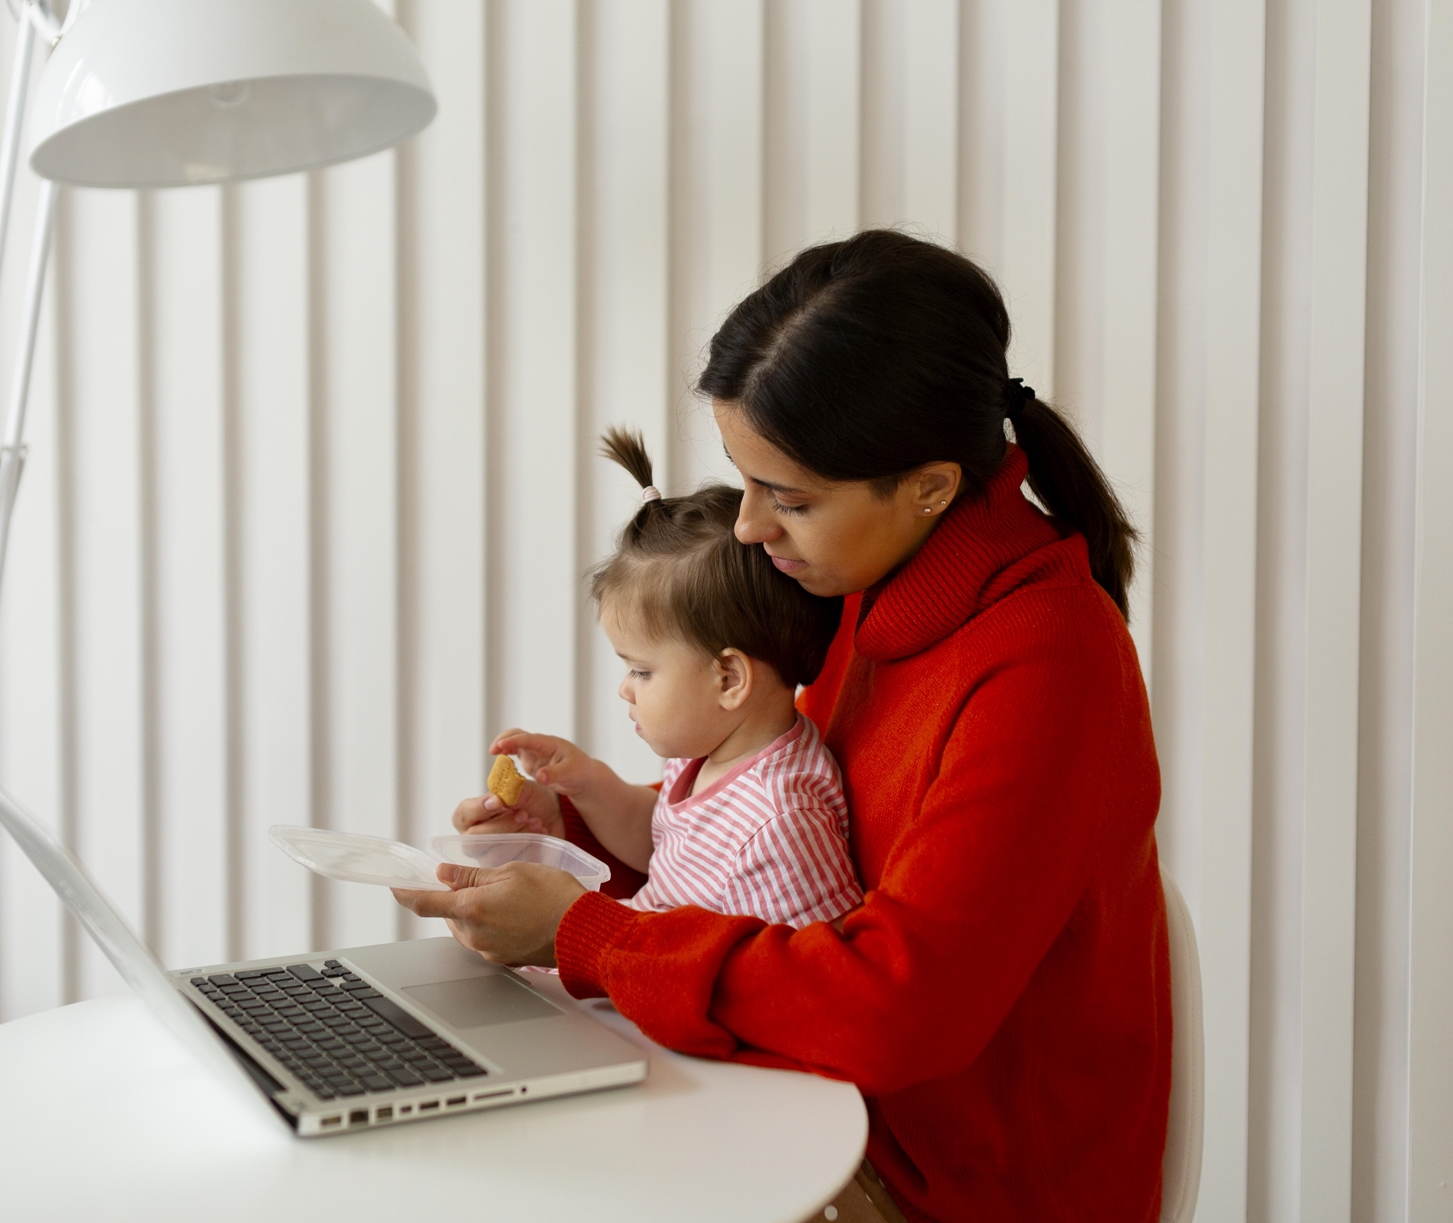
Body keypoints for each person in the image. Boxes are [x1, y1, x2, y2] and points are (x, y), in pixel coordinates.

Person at [397, 230, 1169, 1222]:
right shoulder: (863, 589)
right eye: (747, 479)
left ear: (930, 485)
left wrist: (582, 930)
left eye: (789, 498)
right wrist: (576, 844)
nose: (753, 526)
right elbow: (782, 864)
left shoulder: (1045, 659)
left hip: (950, 1188)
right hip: (816, 1110)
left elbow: (894, 1008)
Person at [474, 426, 862, 929]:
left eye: (641, 669)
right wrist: (588, 783)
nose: (625, 688)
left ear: (728, 679)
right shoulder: (712, 754)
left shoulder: (780, 822)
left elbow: (815, 973)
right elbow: (657, 840)